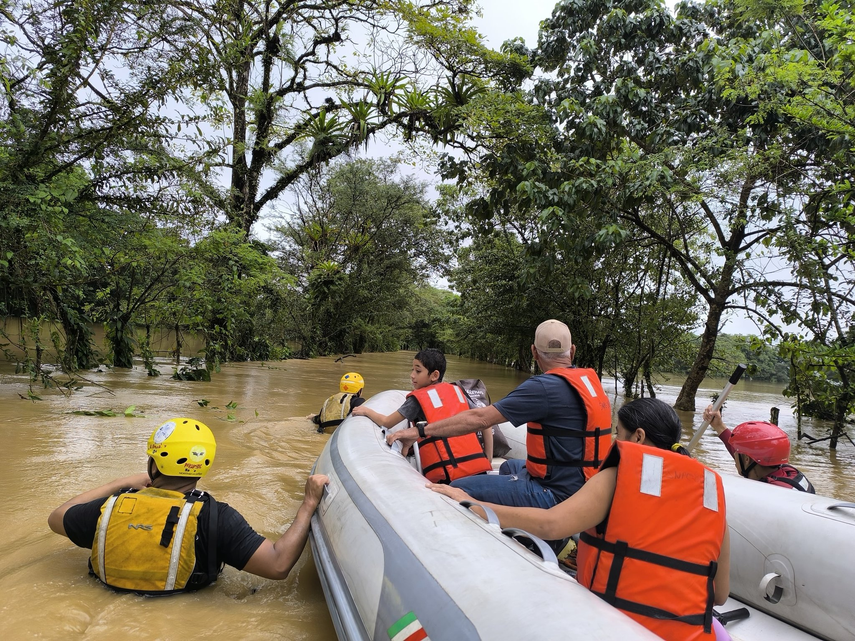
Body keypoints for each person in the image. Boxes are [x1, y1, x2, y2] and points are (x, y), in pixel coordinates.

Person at [431, 398, 731, 641]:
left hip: (615, 627)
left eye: (619, 432)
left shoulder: (620, 477)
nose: (615, 439)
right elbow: (719, 595)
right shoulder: (713, 495)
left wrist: (474, 505)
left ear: (638, 436)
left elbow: (551, 524)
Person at [48, 417, 329, 595]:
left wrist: (117, 483)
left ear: (154, 463)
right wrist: (308, 503)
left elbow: (56, 517)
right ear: (202, 466)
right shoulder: (216, 517)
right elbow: (279, 565)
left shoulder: (108, 508)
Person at [387, 320, 612, 517]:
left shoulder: (542, 388)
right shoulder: (590, 382)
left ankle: (534, 536)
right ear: (572, 351)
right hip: (585, 487)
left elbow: (481, 418)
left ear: (534, 352)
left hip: (555, 493)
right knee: (508, 468)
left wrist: (420, 431)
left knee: (457, 487)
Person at [352, 348, 493, 483]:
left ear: (434, 375)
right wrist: (488, 458)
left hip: (448, 479)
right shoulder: (457, 392)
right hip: (479, 470)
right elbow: (485, 422)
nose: (412, 375)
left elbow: (387, 422)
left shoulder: (416, 400)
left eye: (418, 371)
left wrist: (366, 411)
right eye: (412, 369)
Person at [703, 406, 815, 493]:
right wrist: (719, 426)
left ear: (746, 459)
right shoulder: (788, 472)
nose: (735, 461)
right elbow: (746, 460)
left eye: (737, 453)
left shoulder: (769, 492)